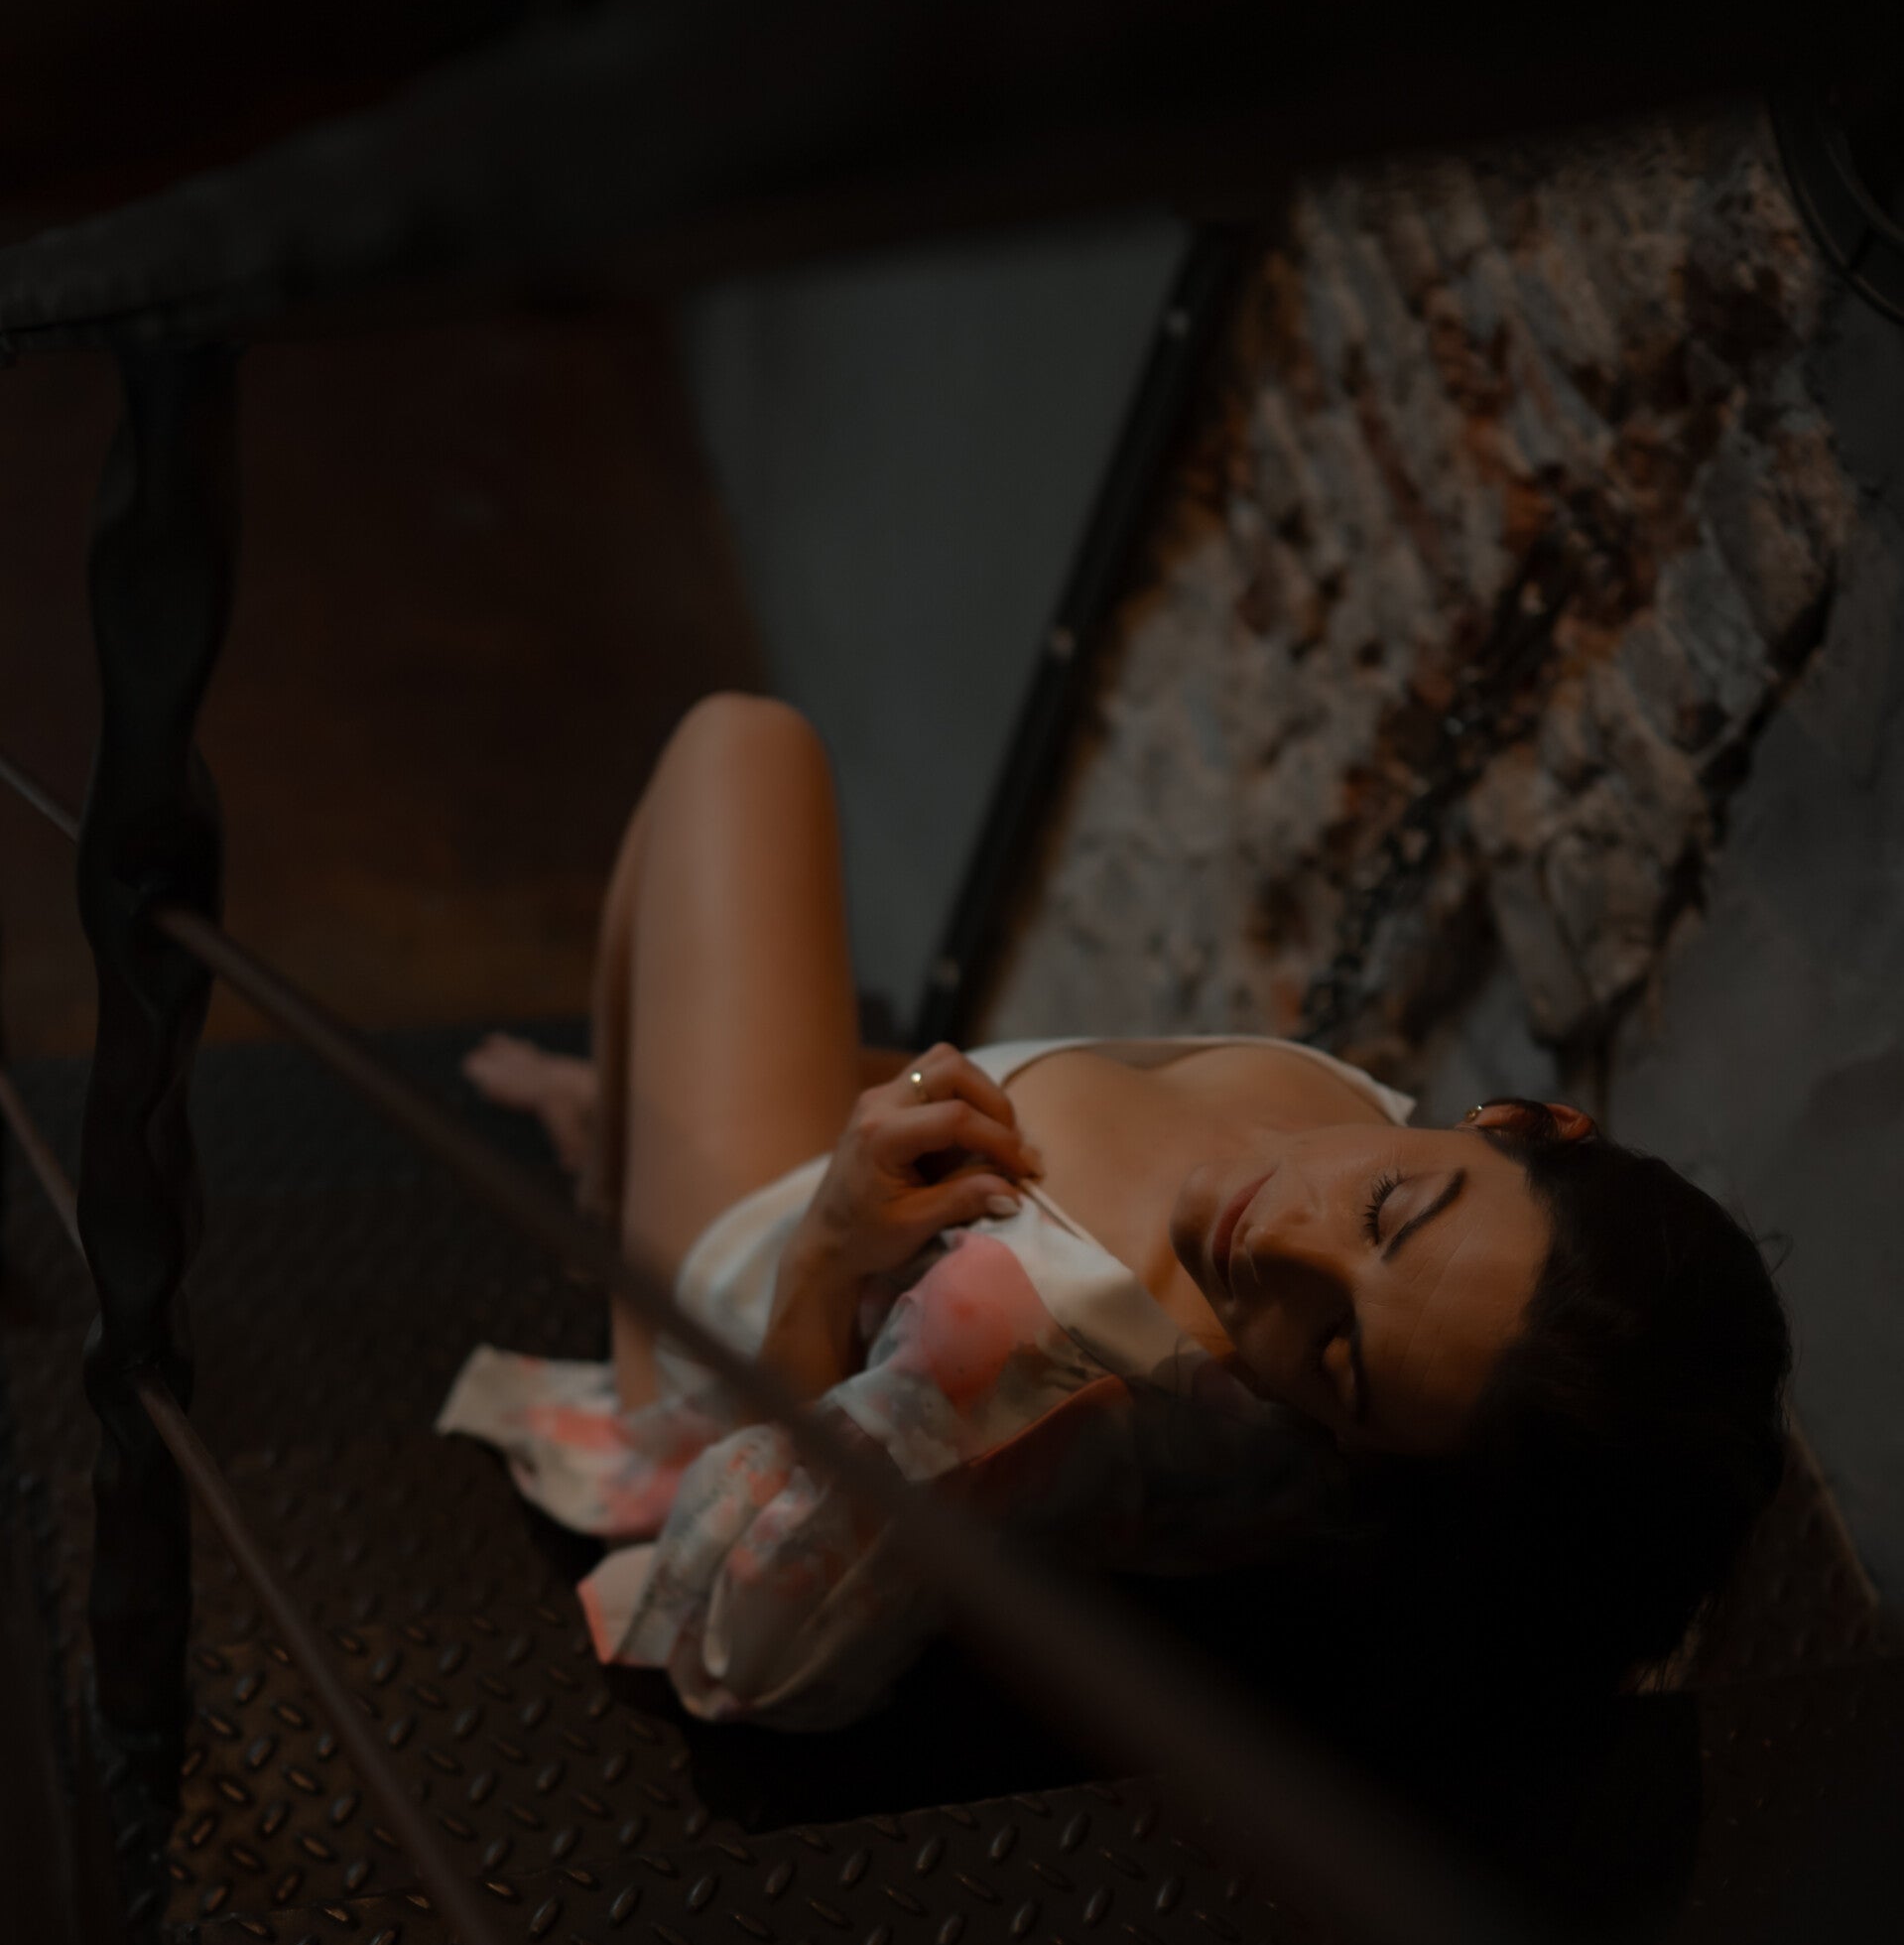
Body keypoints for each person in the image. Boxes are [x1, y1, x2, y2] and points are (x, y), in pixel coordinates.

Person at [442, 694, 1790, 1731]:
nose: (1277, 1241)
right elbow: (1031, 1085)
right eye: (1389, 1210)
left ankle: (624, 1204)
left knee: (739, 747)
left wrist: (824, 1259)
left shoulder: (1008, 1350)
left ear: (1357, 1448)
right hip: (857, 1180)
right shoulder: (1363, 1166)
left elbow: (736, 1657)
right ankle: (627, 1113)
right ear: (1520, 1125)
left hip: (733, 1317)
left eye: (1337, 1353)